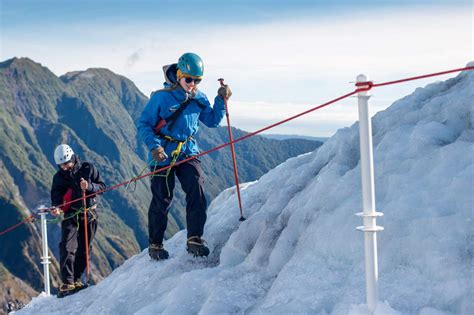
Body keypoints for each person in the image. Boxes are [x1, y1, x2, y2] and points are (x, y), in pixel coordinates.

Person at [137, 52, 232, 260]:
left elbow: (213, 120)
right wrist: (154, 147)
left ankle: (194, 239)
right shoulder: (161, 97)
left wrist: (220, 99)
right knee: (162, 198)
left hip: (187, 151)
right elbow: (144, 124)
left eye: (197, 80)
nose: (192, 84)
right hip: (162, 153)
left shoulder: (199, 98)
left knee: (196, 187)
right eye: (188, 79)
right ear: (179, 75)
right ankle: (155, 244)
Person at [50, 144, 105, 297]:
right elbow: (56, 197)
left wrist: (89, 186)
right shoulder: (59, 178)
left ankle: (77, 279)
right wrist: (57, 208)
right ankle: (68, 283)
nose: (65, 167)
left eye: (67, 164)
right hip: (71, 215)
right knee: (67, 246)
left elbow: (102, 187)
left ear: (72, 158)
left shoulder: (88, 168)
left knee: (84, 247)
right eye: (61, 165)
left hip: (89, 214)